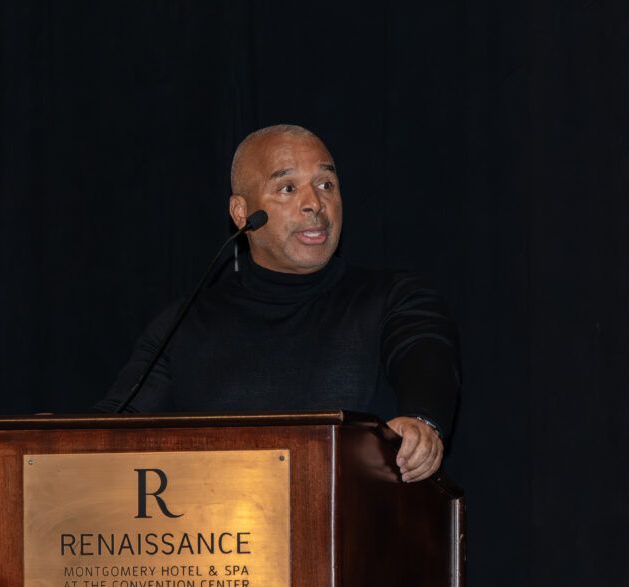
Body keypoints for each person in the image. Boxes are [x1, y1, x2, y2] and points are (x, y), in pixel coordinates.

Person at [96, 124, 460, 482]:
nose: (315, 204)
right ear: (242, 213)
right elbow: (107, 434)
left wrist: (422, 423)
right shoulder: (185, 322)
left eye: (326, 185)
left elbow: (426, 360)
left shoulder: (392, 299)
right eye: (288, 188)